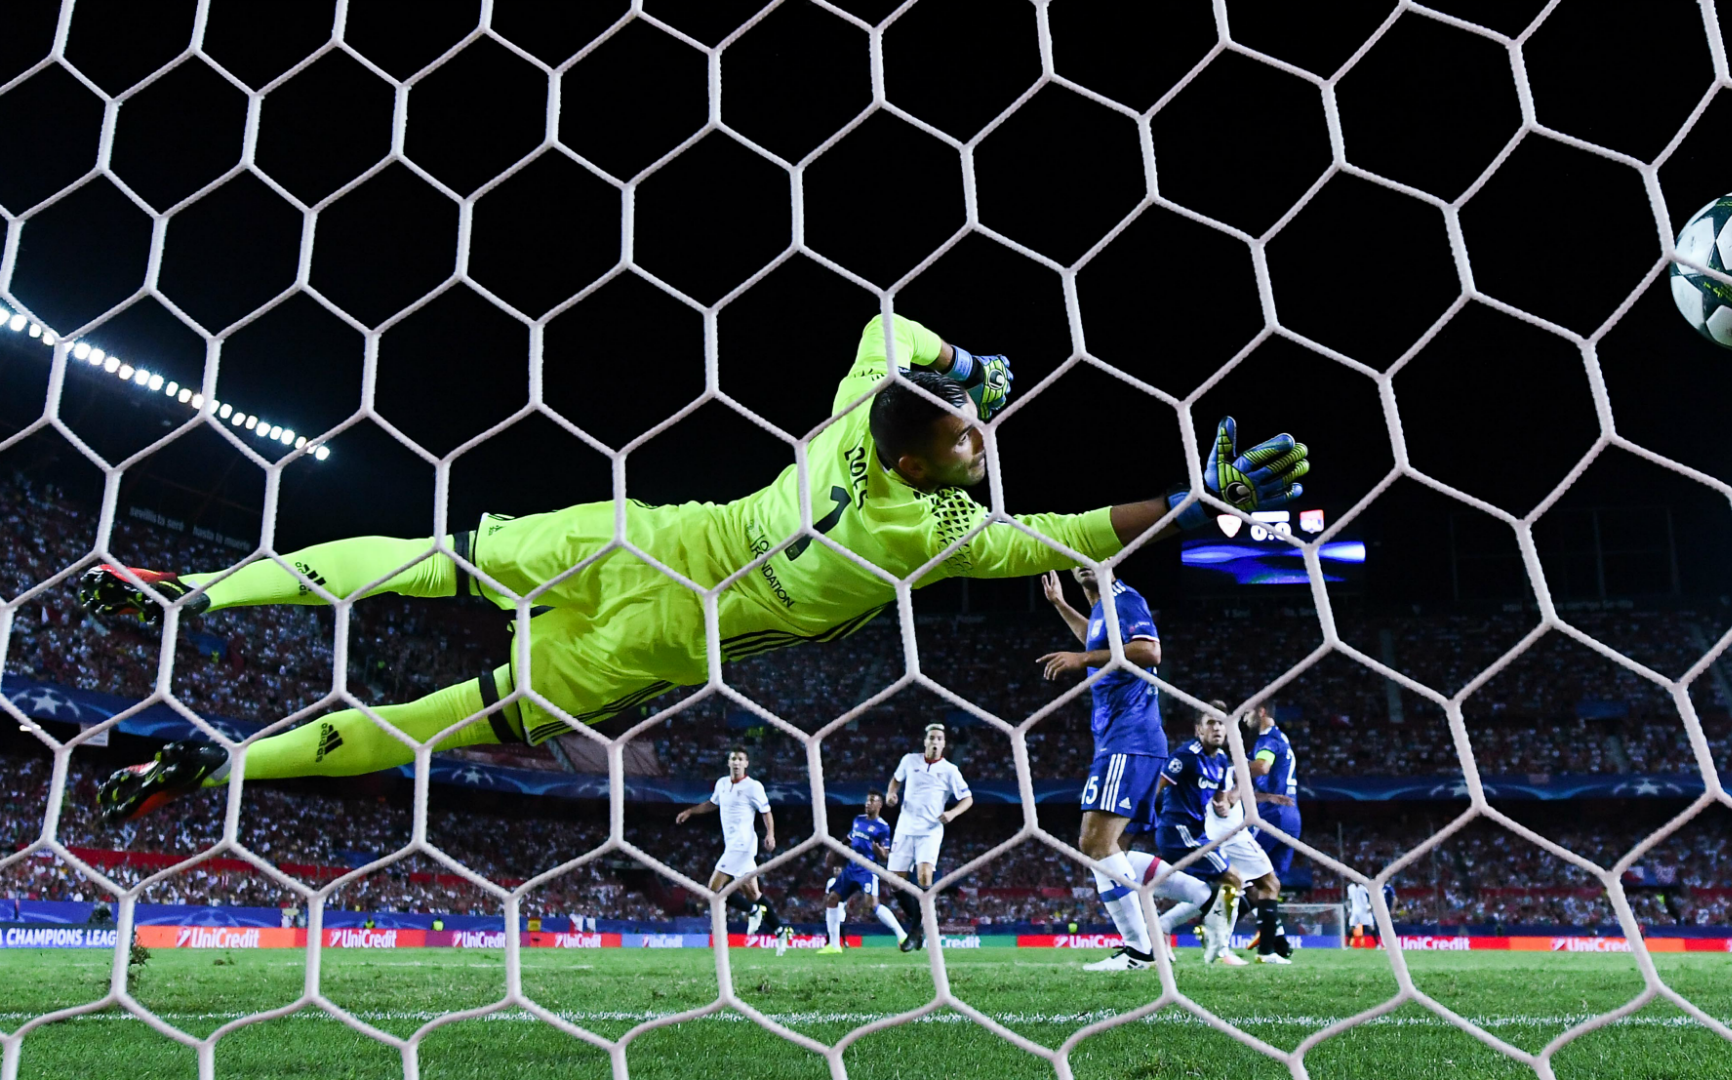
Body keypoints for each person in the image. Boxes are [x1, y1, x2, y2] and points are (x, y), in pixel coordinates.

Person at [83, 313, 1308, 823]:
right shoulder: (930, 539)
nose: (985, 439)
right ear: (921, 447)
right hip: (658, 641)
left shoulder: (854, 419)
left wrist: (960, 364)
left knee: (432, 566)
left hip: (643, 537)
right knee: (438, 712)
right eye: (968, 432)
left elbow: (892, 332)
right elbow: (1084, 532)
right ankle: (223, 752)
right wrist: (1200, 502)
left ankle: (197, 608)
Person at [1038, 568, 1170, 972]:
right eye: (1076, 556)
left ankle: (1141, 949)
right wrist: (1062, 605)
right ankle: (1156, 939)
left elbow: (1149, 651)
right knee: (1115, 849)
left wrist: (1081, 660)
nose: (1082, 563)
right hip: (1127, 740)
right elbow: (1097, 641)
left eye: (1092, 556)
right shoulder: (1099, 609)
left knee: (1095, 843)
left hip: (1128, 740)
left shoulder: (1124, 600)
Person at [675, 748, 789, 955]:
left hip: (743, 845)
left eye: (740, 759)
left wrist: (770, 834)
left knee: (713, 889)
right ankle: (780, 931)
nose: (736, 762)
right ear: (728, 762)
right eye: (733, 759)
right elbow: (712, 804)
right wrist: (691, 811)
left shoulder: (753, 787)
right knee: (753, 894)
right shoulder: (722, 784)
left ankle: (752, 911)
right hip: (733, 846)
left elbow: (766, 811)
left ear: (746, 764)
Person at [1152, 710, 1241, 964]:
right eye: (1210, 723)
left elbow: (1220, 798)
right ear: (1198, 730)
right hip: (1177, 831)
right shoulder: (1185, 756)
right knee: (1234, 879)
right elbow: (1157, 786)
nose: (1217, 728)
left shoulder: (1222, 760)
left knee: (1212, 891)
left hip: (1197, 833)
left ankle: (1164, 924)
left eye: (1221, 724)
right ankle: (1220, 949)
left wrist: (1223, 805)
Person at [885, 723, 972, 952]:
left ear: (944, 744)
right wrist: (891, 793)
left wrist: (952, 813)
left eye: (939, 738)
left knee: (924, 878)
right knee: (895, 883)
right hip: (904, 828)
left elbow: (968, 798)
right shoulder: (909, 761)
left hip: (930, 831)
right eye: (931, 737)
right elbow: (895, 780)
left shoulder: (950, 770)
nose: (935, 741)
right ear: (925, 741)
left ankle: (914, 932)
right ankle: (920, 925)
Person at [1238, 699, 1299, 964]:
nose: (1245, 717)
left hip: (1272, 817)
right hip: (1290, 815)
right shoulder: (1281, 738)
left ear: (1261, 712)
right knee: (1268, 884)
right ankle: (1273, 944)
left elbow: (1262, 766)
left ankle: (1210, 928)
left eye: (1249, 712)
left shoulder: (1267, 739)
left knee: (1236, 875)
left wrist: (1230, 770)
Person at [819, 790, 909, 953]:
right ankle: (834, 945)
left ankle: (902, 935)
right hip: (852, 867)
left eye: (872, 801)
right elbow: (849, 838)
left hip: (867, 869)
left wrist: (878, 851)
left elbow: (885, 855)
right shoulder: (858, 820)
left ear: (879, 805)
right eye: (867, 801)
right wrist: (834, 850)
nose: (868, 803)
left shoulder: (883, 827)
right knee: (832, 899)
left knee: (872, 904)